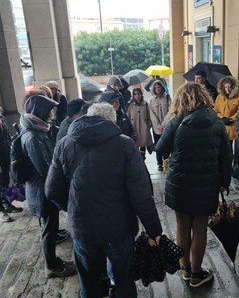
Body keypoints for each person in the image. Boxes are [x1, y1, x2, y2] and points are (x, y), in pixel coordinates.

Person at [45, 102, 162, 298]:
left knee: (89, 282)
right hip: (119, 228)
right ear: (112, 120)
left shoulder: (65, 144)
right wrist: (154, 230)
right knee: (124, 279)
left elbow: (51, 190)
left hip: (83, 227)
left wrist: (72, 208)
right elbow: (141, 194)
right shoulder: (124, 144)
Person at [156, 82, 232, 288]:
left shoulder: (176, 122)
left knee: (182, 227)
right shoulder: (216, 123)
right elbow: (226, 156)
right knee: (200, 229)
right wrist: (225, 182)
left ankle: (185, 270)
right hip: (207, 184)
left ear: (181, 99)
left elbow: (160, 149)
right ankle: (198, 273)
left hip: (179, 185)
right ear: (204, 97)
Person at [20, 95, 77, 278]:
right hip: (41, 191)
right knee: (48, 228)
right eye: (50, 110)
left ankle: (52, 261)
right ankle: (51, 266)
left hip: (42, 189)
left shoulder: (38, 130)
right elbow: (45, 167)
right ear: (41, 111)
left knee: (48, 227)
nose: (53, 114)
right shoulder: (33, 136)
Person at [0, 107, 23, 222]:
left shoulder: (1, 117)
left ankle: (6, 203)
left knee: (4, 182)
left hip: (4, 154)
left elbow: (6, 134)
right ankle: (1, 211)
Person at [149, 80, 171, 171]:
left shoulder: (167, 98)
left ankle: (166, 161)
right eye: (156, 88)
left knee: (166, 145)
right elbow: (152, 114)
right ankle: (159, 163)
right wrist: (158, 125)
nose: (157, 89)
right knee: (158, 145)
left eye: (159, 87)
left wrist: (163, 124)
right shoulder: (151, 100)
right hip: (156, 128)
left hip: (166, 126)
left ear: (162, 87)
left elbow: (171, 111)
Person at [214, 76, 239, 144]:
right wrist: (222, 118)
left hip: (233, 126)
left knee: (233, 147)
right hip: (222, 125)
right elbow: (216, 110)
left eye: (229, 87)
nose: (227, 89)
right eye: (225, 87)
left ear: (233, 88)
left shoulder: (238, 97)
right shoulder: (219, 97)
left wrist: (231, 119)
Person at [126, 88, 153, 160]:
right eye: (135, 94)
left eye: (138, 94)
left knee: (143, 146)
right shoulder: (131, 105)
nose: (137, 95)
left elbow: (150, 117)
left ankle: (142, 159)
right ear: (133, 95)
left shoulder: (146, 104)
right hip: (134, 129)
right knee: (135, 147)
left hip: (144, 129)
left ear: (141, 94)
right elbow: (128, 117)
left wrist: (148, 126)